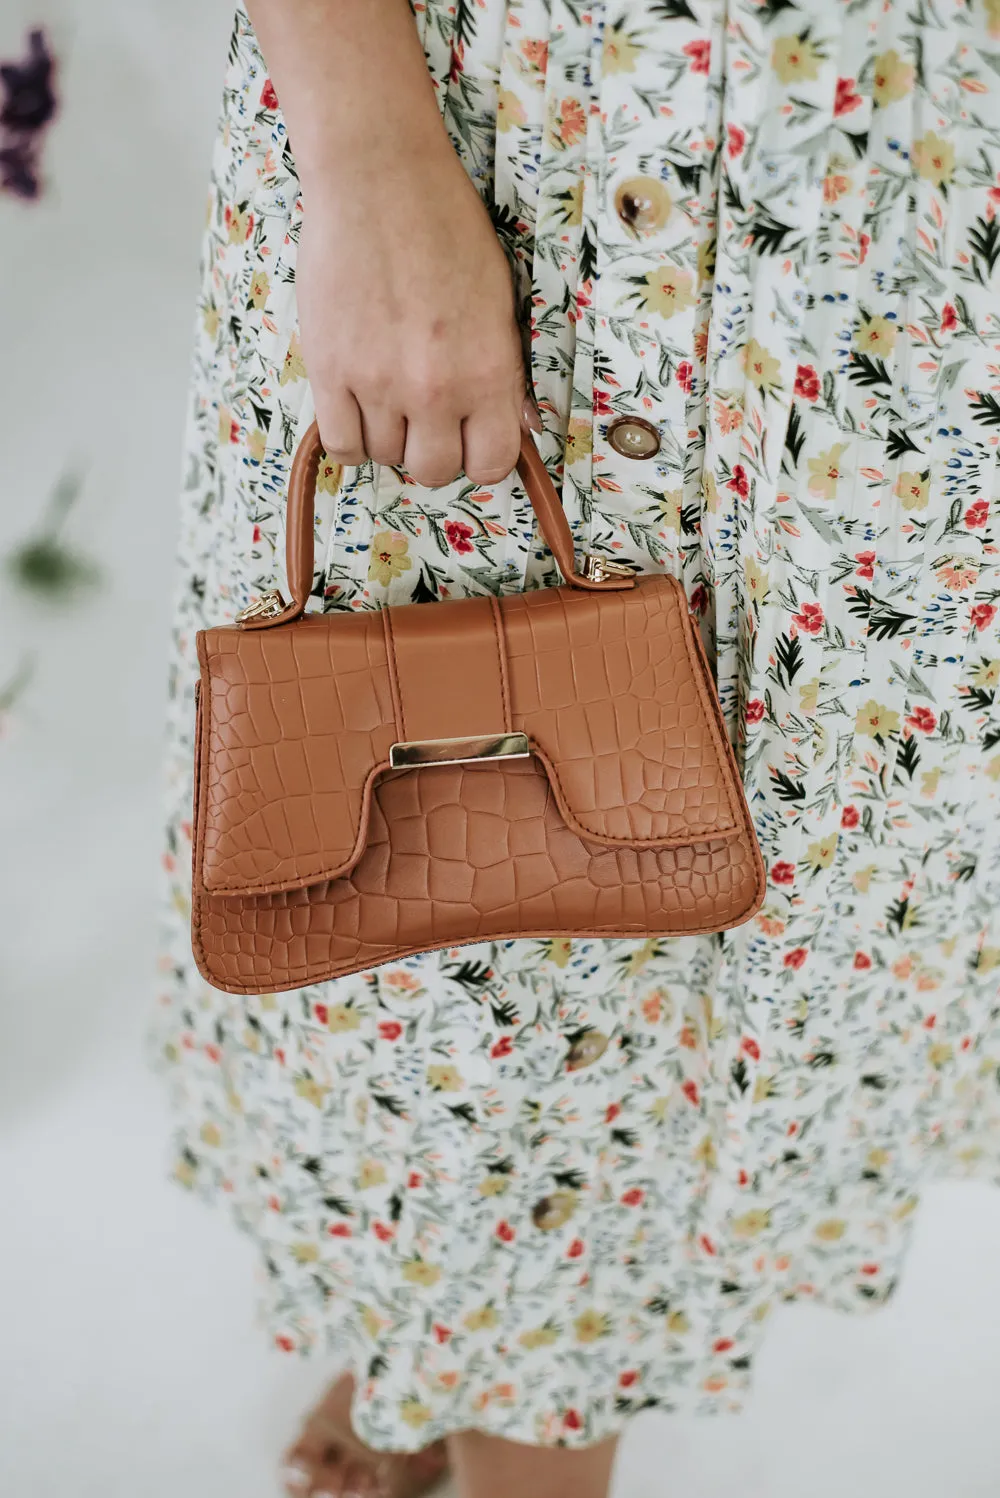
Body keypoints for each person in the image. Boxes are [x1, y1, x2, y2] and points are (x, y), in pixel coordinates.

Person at [155, 1, 1000, 1495]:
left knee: (798, 897)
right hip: (549, 138)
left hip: (897, 200)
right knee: (464, 1006)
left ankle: (457, 1339)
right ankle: (471, 1358)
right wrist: (365, 149)